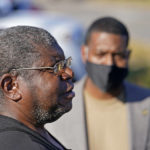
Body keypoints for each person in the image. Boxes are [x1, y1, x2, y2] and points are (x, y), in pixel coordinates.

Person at [46, 17, 150, 150]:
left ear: (128, 56)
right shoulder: (56, 105)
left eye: (118, 55)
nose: (109, 63)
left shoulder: (146, 102)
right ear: (84, 53)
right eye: (101, 54)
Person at [0, 26, 75, 150]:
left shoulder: (34, 131)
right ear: (11, 86)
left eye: (65, 64)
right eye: (56, 67)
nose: (69, 73)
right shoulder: (18, 144)